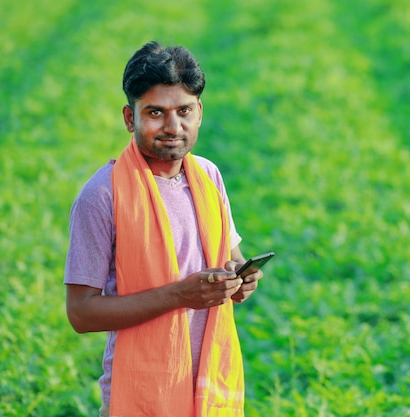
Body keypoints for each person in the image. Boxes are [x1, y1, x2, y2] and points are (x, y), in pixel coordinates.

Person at [64, 41, 261, 417]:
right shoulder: (102, 196)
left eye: (184, 111)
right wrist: (178, 296)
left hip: (208, 386)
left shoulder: (208, 176)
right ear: (129, 117)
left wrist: (240, 279)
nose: (173, 127)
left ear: (199, 112)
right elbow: (81, 313)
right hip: (141, 394)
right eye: (155, 112)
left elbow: (231, 259)